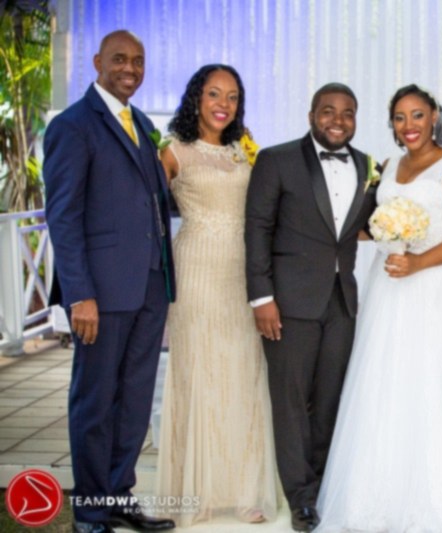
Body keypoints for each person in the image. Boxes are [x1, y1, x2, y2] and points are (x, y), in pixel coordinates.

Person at [316, 84, 442, 532]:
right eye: (400, 118)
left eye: (417, 116)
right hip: (389, 292)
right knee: (386, 386)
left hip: (435, 291)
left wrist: (418, 260)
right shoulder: (386, 166)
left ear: (434, 116)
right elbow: (369, 226)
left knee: (434, 388)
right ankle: (379, 494)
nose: (409, 126)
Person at [43, 30, 176, 533]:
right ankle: (91, 512)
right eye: (120, 59)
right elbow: (64, 215)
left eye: (139, 61)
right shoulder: (73, 126)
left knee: (135, 398)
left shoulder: (140, 122)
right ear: (97, 61)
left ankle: (120, 496)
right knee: (95, 401)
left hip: (149, 286)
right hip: (100, 292)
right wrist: (80, 293)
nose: (130, 69)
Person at [244, 82, 378, 532]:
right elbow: (257, 231)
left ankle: (324, 487)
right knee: (289, 401)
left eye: (348, 113)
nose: (337, 120)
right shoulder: (276, 160)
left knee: (330, 400)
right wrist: (262, 297)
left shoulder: (367, 166)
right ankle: (300, 497)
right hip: (287, 303)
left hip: (342, 302)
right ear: (311, 114)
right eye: (328, 111)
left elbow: (372, 225)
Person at [154, 64, 279, 526]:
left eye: (231, 96)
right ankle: (198, 492)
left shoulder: (245, 150)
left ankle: (245, 489)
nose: (222, 104)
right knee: (200, 371)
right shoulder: (174, 151)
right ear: (195, 98)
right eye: (213, 94)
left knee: (245, 373)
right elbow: (141, 204)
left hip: (243, 272)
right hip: (198, 271)